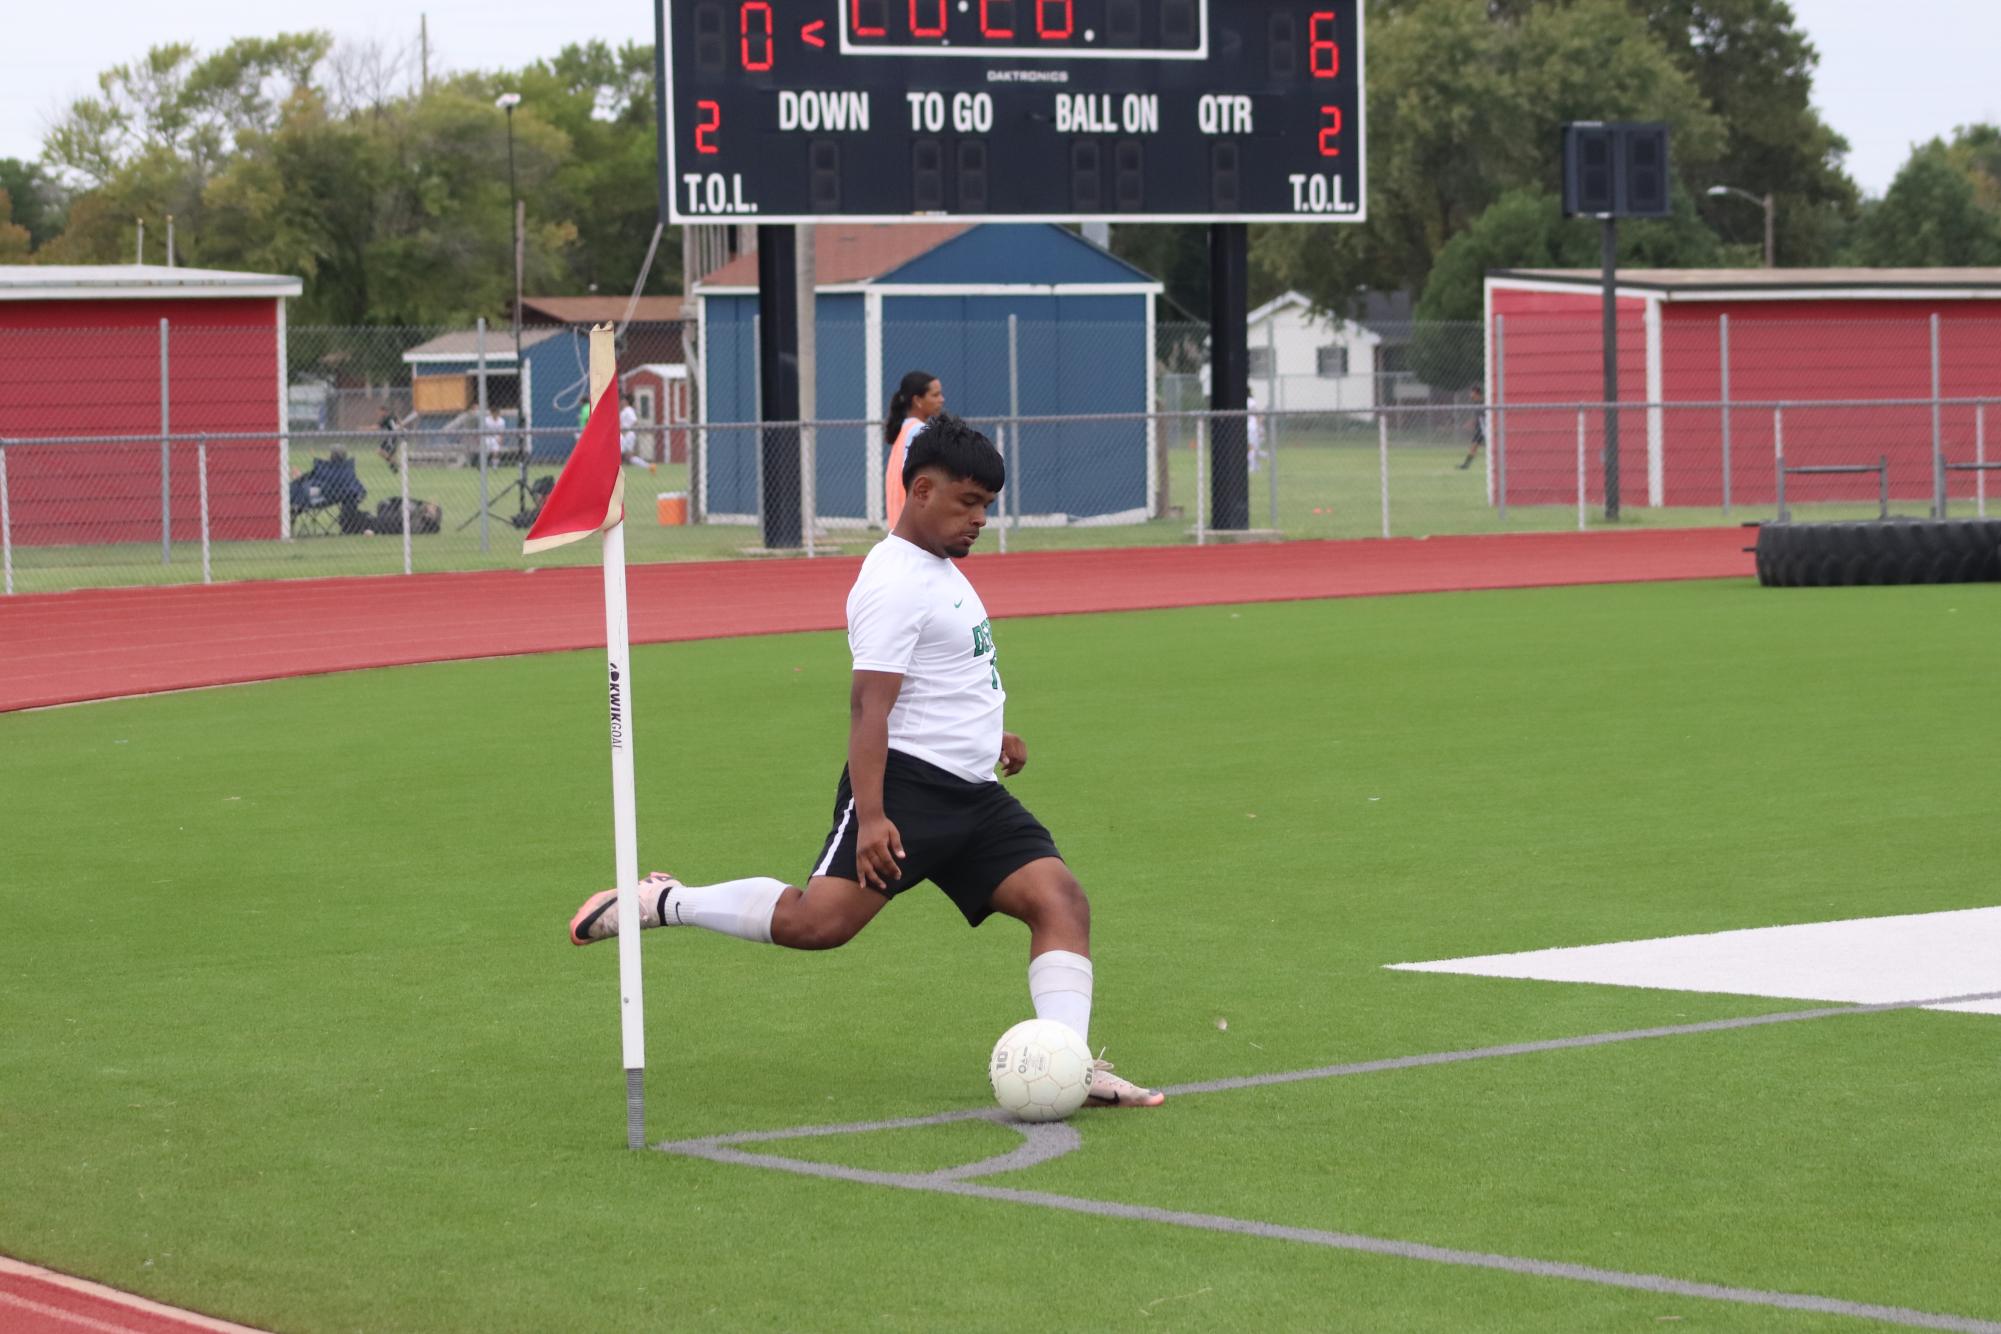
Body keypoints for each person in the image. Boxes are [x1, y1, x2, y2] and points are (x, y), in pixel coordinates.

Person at [569, 413, 1164, 1110]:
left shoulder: (938, 567)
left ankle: (1068, 1062)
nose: (979, 520)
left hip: (972, 794)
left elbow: (947, 670)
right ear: (920, 490)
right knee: (815, 925)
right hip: (905, 792)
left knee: (1060, 901)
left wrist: (994, 733)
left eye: (986, 507)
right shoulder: (892, 582)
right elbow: (867, 709)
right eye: (967, 504)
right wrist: (875, 816)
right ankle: (662, 900)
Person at [883, 370, 944, 531]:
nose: (941, 400)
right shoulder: (919, 431)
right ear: (917, 400)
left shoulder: (905, 429)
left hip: (899, 524)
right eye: (935, 395)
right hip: (914, 526)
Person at [618, 398, 652, 471]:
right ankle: (649, 466)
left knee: (621, 453)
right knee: (628, 456)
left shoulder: (628, 410)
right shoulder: (623, 411)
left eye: (622, 400)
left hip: (628, 434)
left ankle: (649, 466)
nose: (620, 402)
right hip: (624, 435)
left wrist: (626, 431)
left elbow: (635, 421)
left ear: (626, 401)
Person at [1458, 388, 1486, 470]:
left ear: (1477, 394)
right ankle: (1466, 465)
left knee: (1491, 447)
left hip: (1486, 429)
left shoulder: (1485, 402)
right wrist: (1472, 423)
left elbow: (1484, 417)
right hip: (1480, 429)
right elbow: (1478, 417)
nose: (1470, 395)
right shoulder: (1476, 403)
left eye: (1472, 393)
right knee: (1473, 446)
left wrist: (1472, 422)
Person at [377, 406, 402, 472]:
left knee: (380, 451)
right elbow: (399, 422)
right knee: (391, 453)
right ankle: (394, 465)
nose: (379, 413)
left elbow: (377, 427)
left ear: (384, 411)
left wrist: (364, 428)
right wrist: (400, 426)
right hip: (393, 436)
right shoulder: (392, 416)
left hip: (391, 437)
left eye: (380, 412)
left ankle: (394, 463)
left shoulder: (386, 418)